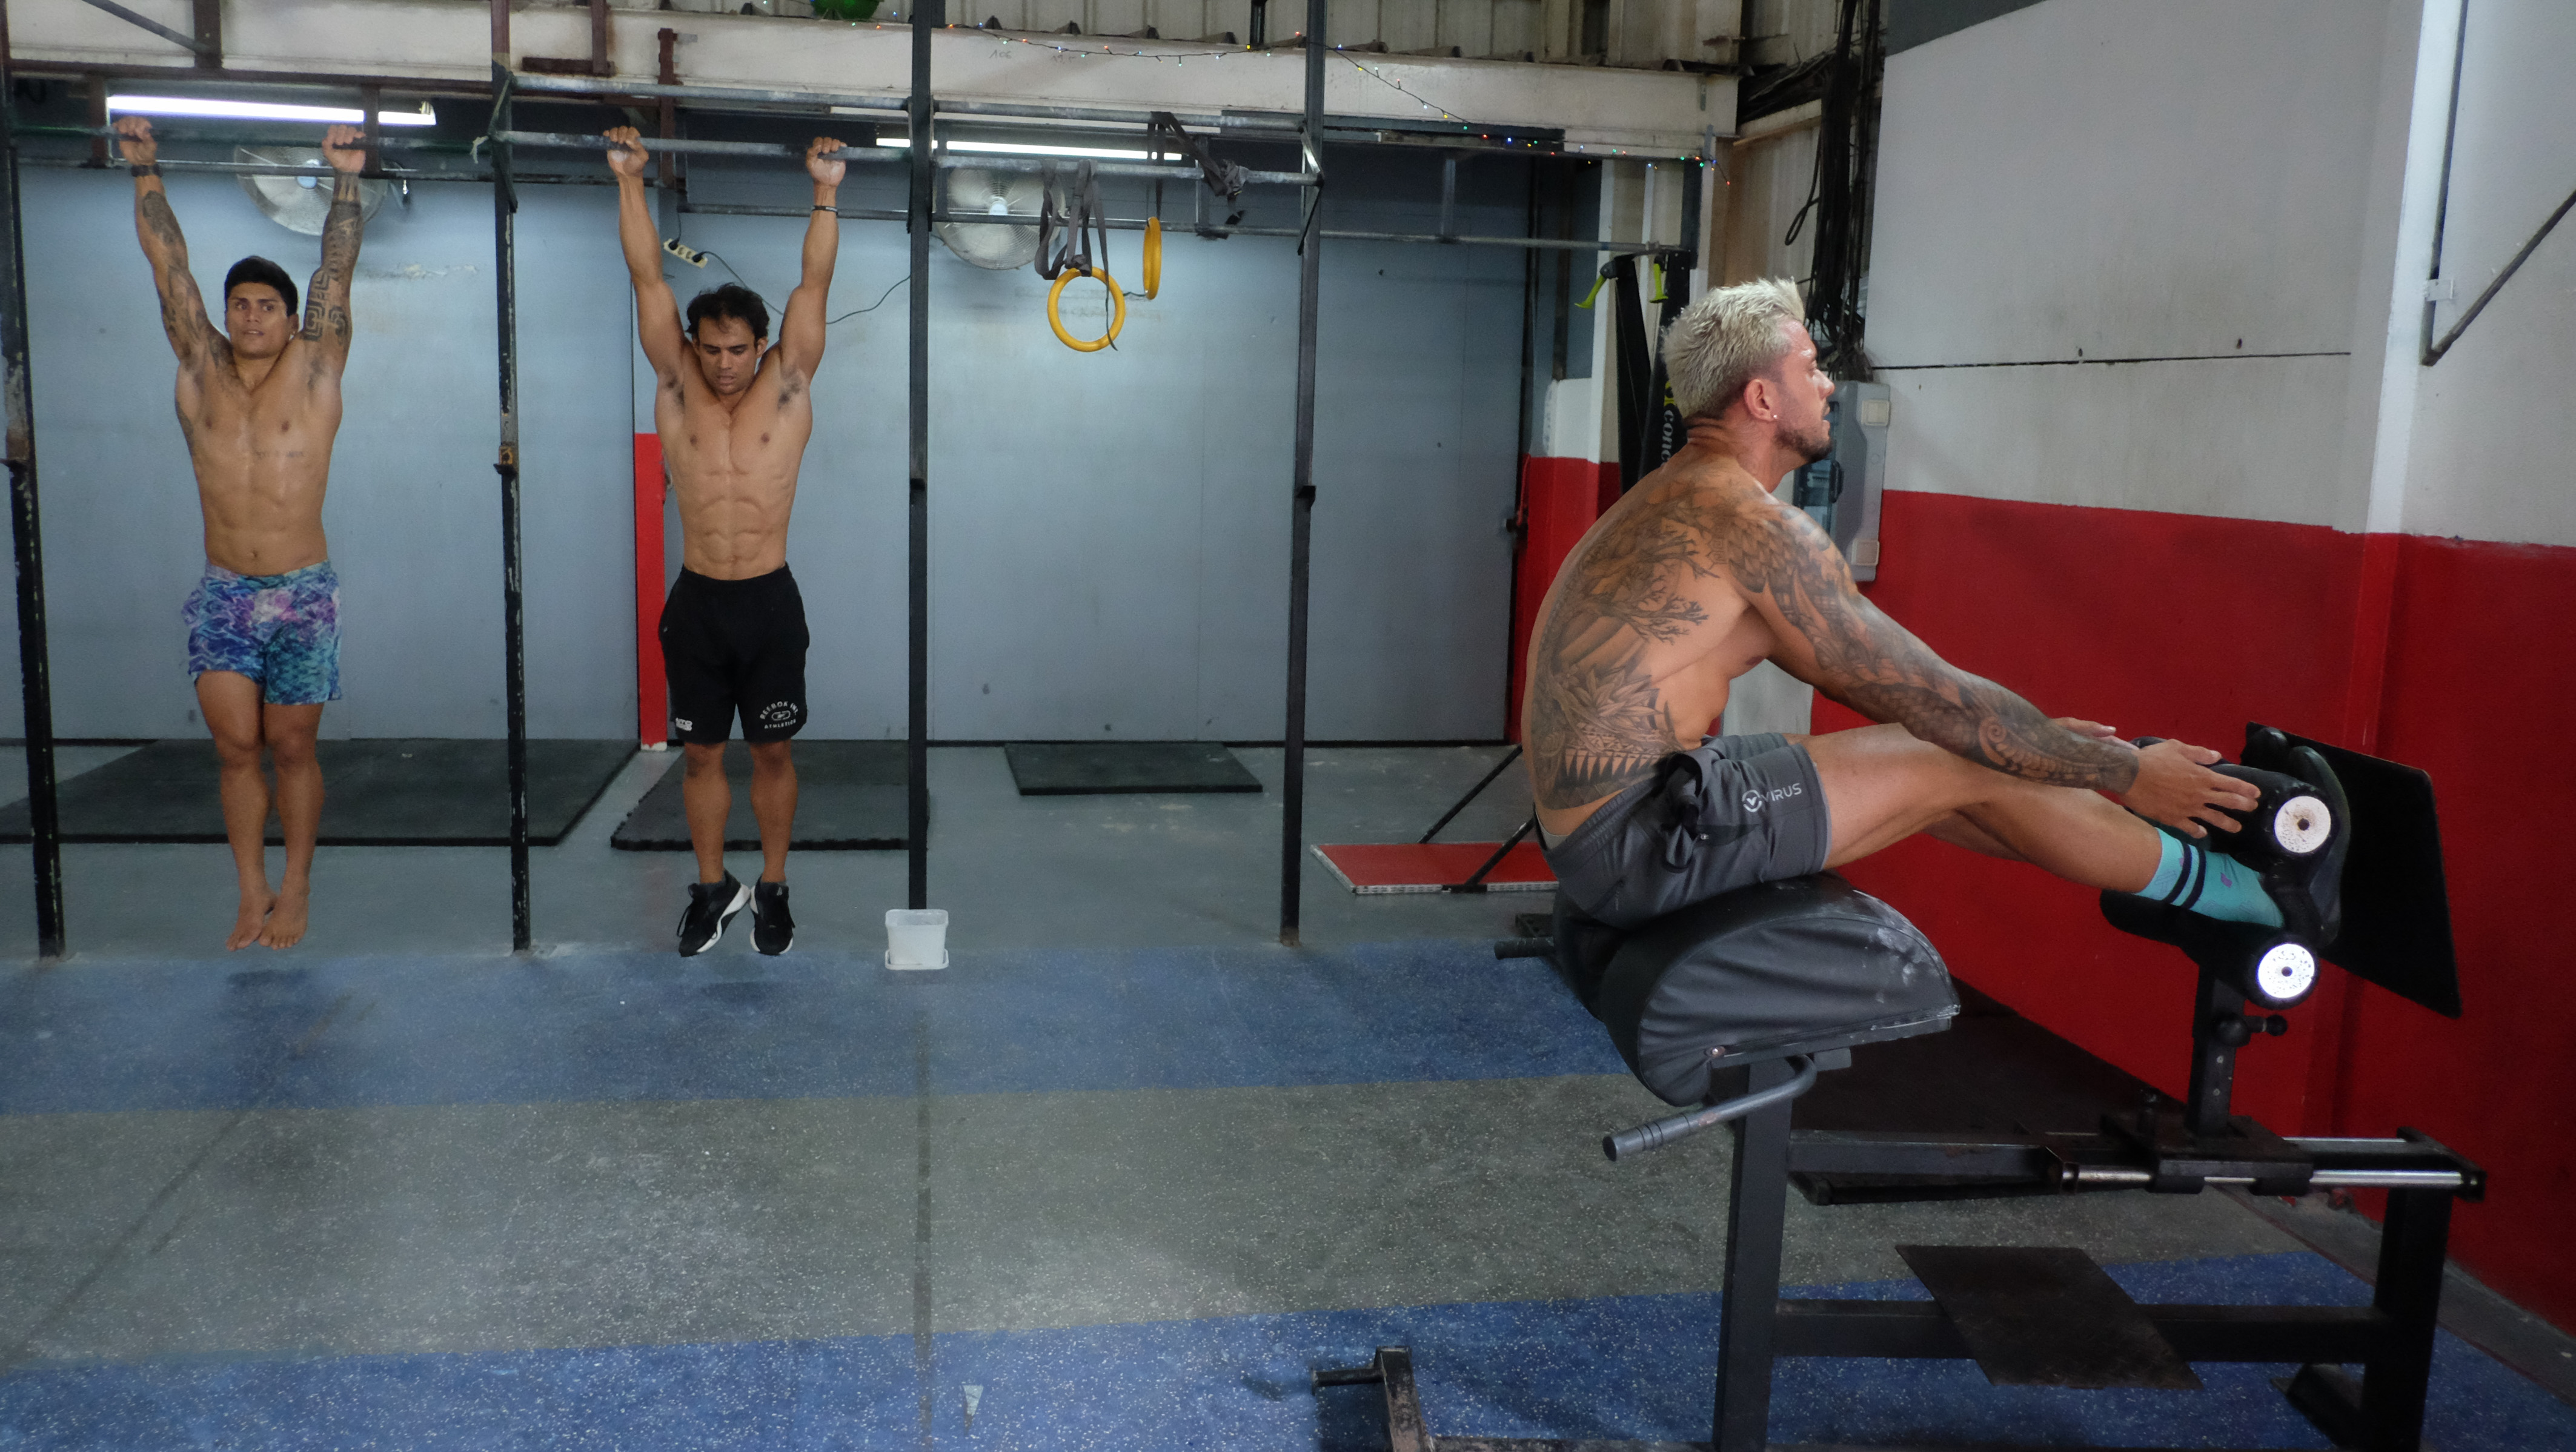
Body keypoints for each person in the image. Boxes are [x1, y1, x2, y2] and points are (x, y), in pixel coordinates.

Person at [1524, 277, 2341, 941]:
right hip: (1640, 843)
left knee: (1960, 761)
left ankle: (2176, 875)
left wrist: (2047, 747)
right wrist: (2129, 772)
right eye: (1811, 369)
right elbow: (1937, 701)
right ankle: (2259, 898)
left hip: (1612, 828)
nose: (1828, 384)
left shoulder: (1675, 500)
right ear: (1763, 400)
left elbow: (1933, 705)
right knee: (1956, 751)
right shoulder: (1750, 526)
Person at [118, 117, 371, 952]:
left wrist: (343, 176)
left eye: (268, 305)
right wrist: (145, 170)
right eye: (241, 305)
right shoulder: (199, 366)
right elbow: (171, 269)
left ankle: (296, 885)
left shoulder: (318, 364)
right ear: (225, 315)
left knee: (291, 745)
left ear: (297, 318)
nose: (252, 315)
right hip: (227, 589)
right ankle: (251, 889)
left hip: (302, 589)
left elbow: (336, 265)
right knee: (235, 747)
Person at [608, 127, 846, 956]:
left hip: (770, 599)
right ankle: (713, 889)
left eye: (738, 350)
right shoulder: (677, 385)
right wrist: (631, 181)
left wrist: (825, 190)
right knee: (702, 757)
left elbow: (815, 279)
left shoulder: (790, 382)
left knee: (772, 752)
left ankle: (773, 887)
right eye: (710, 350)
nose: (723, 365)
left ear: (761, 346)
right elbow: (647, 276)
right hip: (700, 601)